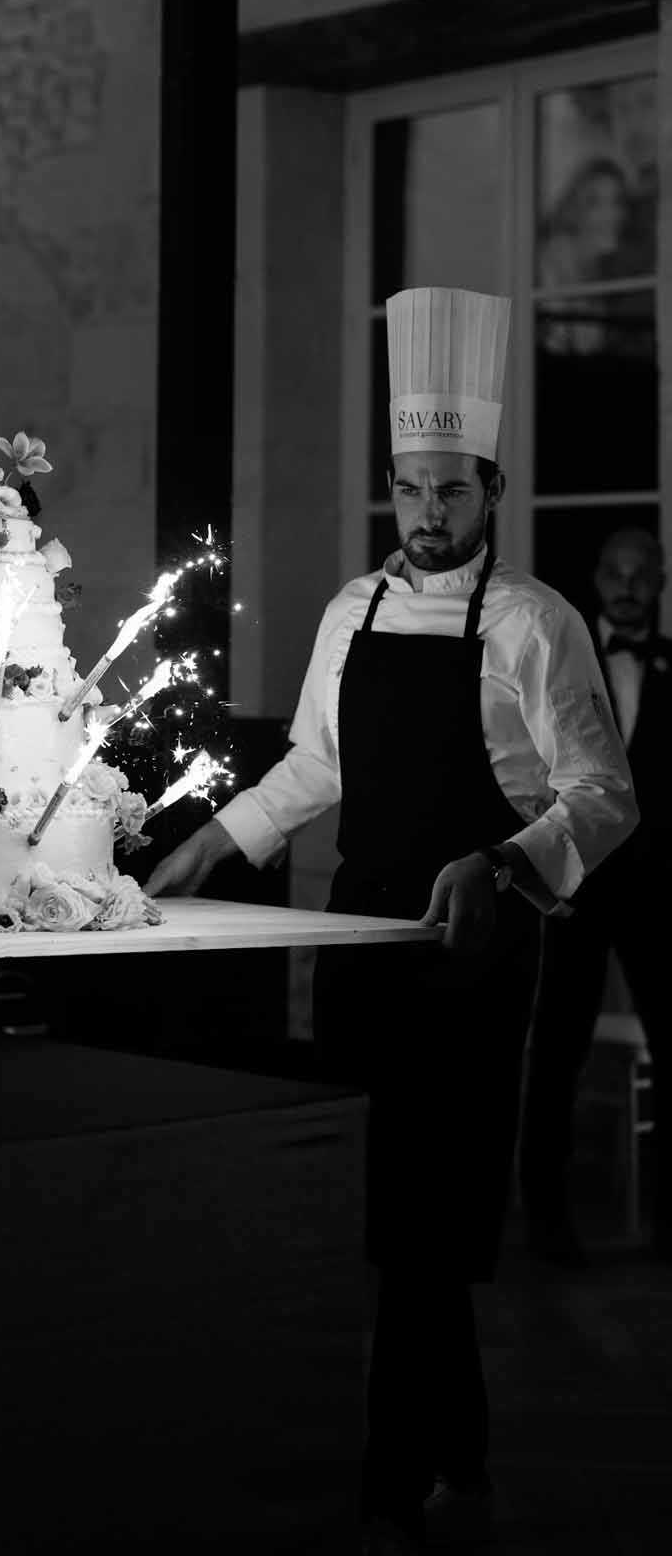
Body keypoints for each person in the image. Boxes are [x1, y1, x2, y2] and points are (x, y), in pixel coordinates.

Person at [147, 286, 637, 1556]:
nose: (427, 514)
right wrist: (214, 840)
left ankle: (380, 1477)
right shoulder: (345, 611)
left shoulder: (536, 624)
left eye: (451, 492)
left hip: (476, 951)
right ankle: (448, 1446)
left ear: (492, 488)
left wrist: (505, 862)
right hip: (365, 942)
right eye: (410, 489)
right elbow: (316, 767)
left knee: (436, 1217)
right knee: (389, 1217)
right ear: (392, 482)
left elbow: (605, 795)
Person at [519, 524, 671, 1265]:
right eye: (617, 570)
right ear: (598, 577)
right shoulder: (566, 665)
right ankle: (544, 1215)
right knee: (556, 1046)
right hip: (579, 882)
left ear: (663, 580)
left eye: (643, 572)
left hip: (661, 895)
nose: (629, 584)